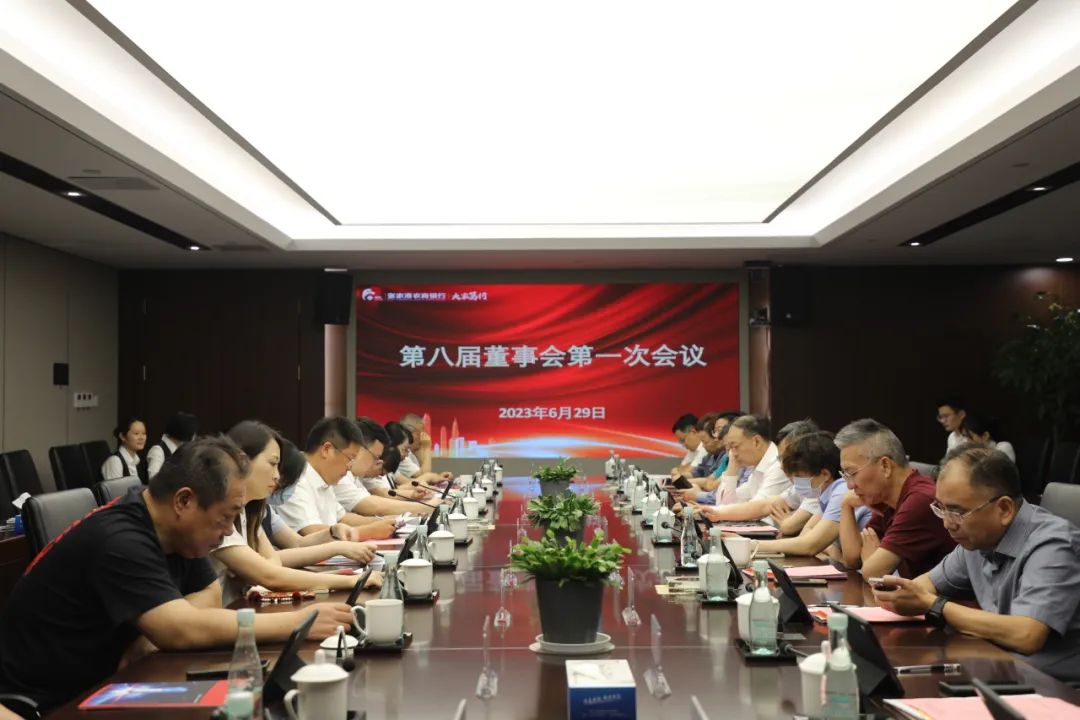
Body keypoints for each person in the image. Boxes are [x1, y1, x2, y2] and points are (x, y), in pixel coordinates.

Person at [0, 437, 354, 714]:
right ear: (184, 501)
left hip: (115, 683)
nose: (228, 531)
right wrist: (300, 621)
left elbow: (208, 598)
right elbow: (183, 629)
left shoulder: (176, 532)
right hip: (47, 702)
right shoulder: (120, 539)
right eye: (225, 517)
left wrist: (152, 634)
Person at [873, 445, 1080, 681]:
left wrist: (934, 605)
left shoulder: (1054, 544)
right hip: (998, 671)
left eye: (957, 512)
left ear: (1004, 509)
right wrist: (899, 595)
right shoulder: (977, 539)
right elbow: (924, 587)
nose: (947, 524)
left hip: (1054, 688)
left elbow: (1027, 635)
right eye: (941, 508)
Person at [211, 421, 383, 605]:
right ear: (242, 461)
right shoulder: (218, 514)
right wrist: (352, 580)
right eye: (272, 463)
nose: (277, 476)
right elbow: (271, 575)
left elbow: (274, 562)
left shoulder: (251, 511)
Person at [835, 418, 956, 579]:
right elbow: (852, 559)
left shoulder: (919, 500)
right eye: (845, 475)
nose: (850, 485)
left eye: (852, 473)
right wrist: (846, 505)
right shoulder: (888, 500)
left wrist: (869, 562)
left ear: (885, 466)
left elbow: (872, 573)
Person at [262, 439, 384, 569]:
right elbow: (268, 563)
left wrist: (332, 532)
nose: (276, 476)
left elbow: (297, 543)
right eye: (272, 464)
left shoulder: (262, 510)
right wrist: (337, 548)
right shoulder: (249, 511)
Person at [751, 432, 873, 557]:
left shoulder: (841, 491)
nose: (795, 482)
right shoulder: (825, 493)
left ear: (825, 474)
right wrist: (829, 548)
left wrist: (751, 545)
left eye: (799, 476)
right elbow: (806, 534)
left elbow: (809, 546)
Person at [271, 417, 396, 538]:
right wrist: (369, 531)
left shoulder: (323, 476)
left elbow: (341, 518)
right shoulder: (297, 478)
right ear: (327, 450)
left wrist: (383, 521)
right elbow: (311, 531)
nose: (349, 467)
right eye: (350, 458)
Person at [333, 418, 435, 517]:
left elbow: (348, 518)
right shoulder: (341, 476)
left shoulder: (353, 476)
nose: (377, 463)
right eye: (376, 457)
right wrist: (426, 507)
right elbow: (374, 505)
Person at [698, 415, 790, 522]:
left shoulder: (778, 466)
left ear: (756, 441)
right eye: (729, 448)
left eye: (735, 446)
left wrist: (714, 511)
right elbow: (725, 504)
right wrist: (731, 469)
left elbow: (756, 509)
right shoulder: (757, 465)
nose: (732, 454)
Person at [398, 413, 454, 486]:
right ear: (409, 433)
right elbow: (424, 476)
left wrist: (439, 477)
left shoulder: (410, 452)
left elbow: (424, 477)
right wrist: (427, 448)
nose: (423, 437)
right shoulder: (401, 454)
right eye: (420, 433)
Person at [146, 411, 198, 480]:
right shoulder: (158, 451)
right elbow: (153, 480)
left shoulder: (181, 451)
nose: (195, 437)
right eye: (193, 433)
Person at [101, 417, 148, 483]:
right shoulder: (114, 461)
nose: (141, 438)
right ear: (122, 436)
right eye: (136, 433)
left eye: (144, 433)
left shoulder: (138, 460)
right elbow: (116, 489)